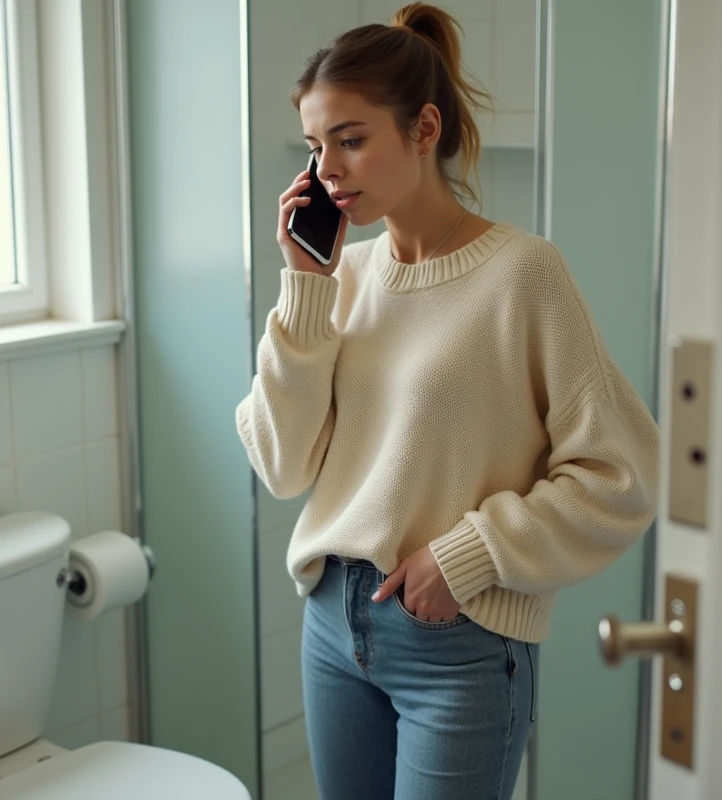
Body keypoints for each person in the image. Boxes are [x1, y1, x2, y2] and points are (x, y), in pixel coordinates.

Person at [235, 3, 660, 797]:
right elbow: (281, 463)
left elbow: (620, 473)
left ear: (424, 130)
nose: (327, 168)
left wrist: (469, 554)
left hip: (459, 642)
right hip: (332, 624)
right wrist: (303, 289)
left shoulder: (524, 274)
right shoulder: (338, 281)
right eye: (315, 145)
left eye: (351, 139)